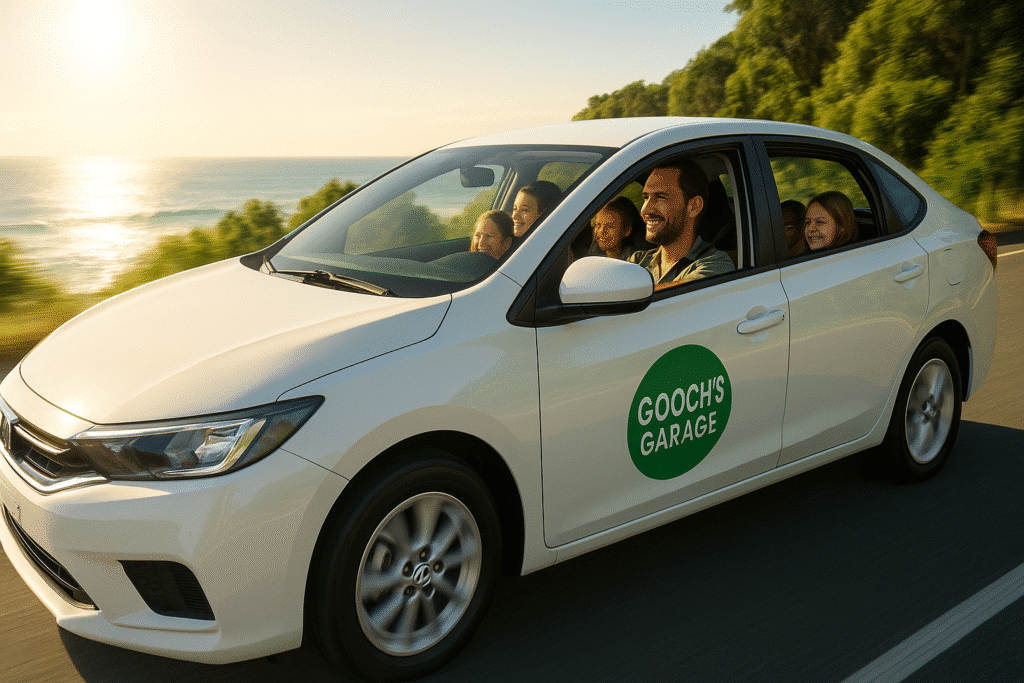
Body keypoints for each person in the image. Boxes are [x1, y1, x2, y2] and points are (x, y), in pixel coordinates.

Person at [627, 159, 735, 286]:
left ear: (694, 206)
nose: (645, 210)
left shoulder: (717, 265)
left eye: (661, 197)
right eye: (646, 197)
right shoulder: (637, 260)